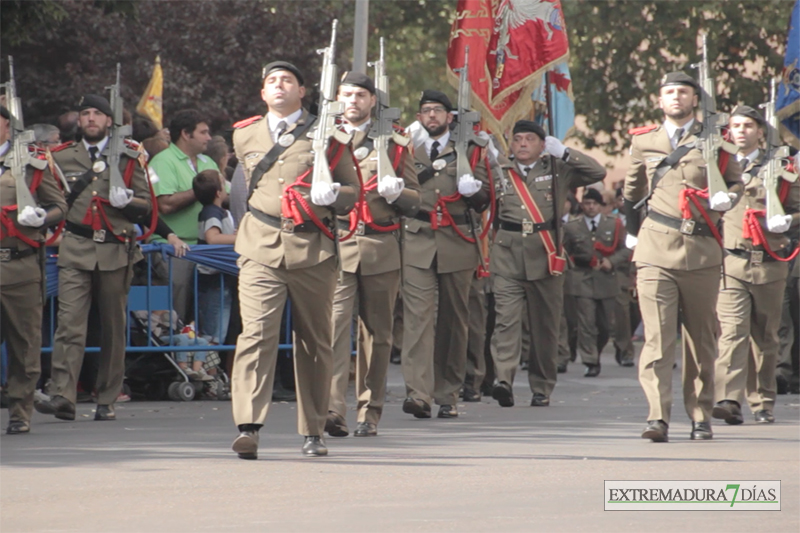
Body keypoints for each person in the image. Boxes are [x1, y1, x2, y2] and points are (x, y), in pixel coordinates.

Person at [229, 61, 360, 459]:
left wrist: (334, 195)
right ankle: (248, 426)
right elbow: (243, 190)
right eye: (271, 81)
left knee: (315, 342)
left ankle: (314, 429)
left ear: (303, 91)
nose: (279, 86)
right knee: (256, 334)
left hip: (313, 249)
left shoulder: (330, 135)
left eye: (287, 80)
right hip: (260, 246)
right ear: (262, 93)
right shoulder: (245, 134)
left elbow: (353, 190)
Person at [623, 71, 743, 442]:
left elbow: (735, 181)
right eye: (669, 92)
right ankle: (657, 417)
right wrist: (631, 233)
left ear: (695, 99)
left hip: (701, 251)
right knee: (658, 341)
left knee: (701, 341)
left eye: (684, 92)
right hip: (655, 248)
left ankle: (700, 415)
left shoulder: (717, 140)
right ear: (660, 101)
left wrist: (728, 197)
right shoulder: (645, 142)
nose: (676, 97)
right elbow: (632, 191)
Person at [36, 94, 151, 422]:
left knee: (113, 328)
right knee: (69, 325)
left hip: (116, 248)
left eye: (97, 114)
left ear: (109, 121)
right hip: (76, 247)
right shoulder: (61, 156)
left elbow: (146, 205)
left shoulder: (129, 157)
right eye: (84, 112)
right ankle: (62, 396)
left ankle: (107, 396)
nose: (89, 118)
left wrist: (128, 201)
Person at [325, 72, 419, 438]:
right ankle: (333, 408)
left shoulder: (394, 142)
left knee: (376, 335)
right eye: (347, 94)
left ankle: (370, 410)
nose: (353, 101)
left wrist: (397, 194)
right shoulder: (324, 139)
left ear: (372, 101)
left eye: (361, 95)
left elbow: (415, 199)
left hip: (380, 245)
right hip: (336, 244)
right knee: (332, 330)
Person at [489, 120, 606, 407]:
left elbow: (597, 172)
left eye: (530, 139)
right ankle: (503, 379)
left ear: (543, 145)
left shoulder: (556, 169)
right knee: (506, 321)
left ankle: (542, 386)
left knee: (545, 326)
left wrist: (565, 152)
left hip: (545, 255)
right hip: (507, 254)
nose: (523, 144)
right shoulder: (499, 171)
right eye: (518, 139)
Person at [400, 90, 489, 420]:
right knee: (417, 320)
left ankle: (447, 392)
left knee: (454, 319)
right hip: (418, 238)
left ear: (450, 117)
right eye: (426, 111)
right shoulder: (406, 147)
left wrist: (474, 190)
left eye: (438, 110)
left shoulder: (472, 148)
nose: (432, 115)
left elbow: (487, 197)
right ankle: (418, 393)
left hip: (457, 240)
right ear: (420, 117)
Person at [713, 105, 799, 425]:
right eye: (735, 125)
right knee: (732, 333)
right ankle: (729, 399)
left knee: (765, 338)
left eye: (748, 125)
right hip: (731, 261)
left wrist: (786, 220)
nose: (741, 131)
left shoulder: (781, 166)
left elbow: (797, 208)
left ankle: (762, 401)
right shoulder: (718, 167)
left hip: (769, 263)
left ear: (760, 131)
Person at [0, 105, 67, 434]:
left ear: (7, 128)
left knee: (24, 345)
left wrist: (42, 217)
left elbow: (59, 205)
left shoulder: (33, 163)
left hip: (19, 265)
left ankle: (19, 412)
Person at [149, 109, 217, 323]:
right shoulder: (162, 161)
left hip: (206, 250)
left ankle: (195, 355)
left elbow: (223, 195)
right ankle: (170, 355)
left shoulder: (209, 162)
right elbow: (165, 205)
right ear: (186, 134)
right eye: (203, 132)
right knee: (174, 317)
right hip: (172, 250)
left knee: (201, 316)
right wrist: (201, 190)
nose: (209, 138)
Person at [562, 187, 629, 377]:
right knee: (586, 323)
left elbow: (627, 249)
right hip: (581, 279)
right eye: (587, 203)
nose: (590, 207)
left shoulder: (614, 224)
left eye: (594, 204)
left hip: (606, 280)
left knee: (606, 325)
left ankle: (597, 351)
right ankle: (590, 360)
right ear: (582, 205)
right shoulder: (572, 226)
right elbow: (563, 251)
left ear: (600, 206)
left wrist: (611, 261)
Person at [193, 169, 236, 345]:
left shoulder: (216, 211)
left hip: (221, 279)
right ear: (219, 192)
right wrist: (243, 237)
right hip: (213, 280)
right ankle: (207, 370)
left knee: (217, 330)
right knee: (214, 334)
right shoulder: (212, 212)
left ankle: (210, 369)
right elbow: (212, 238)